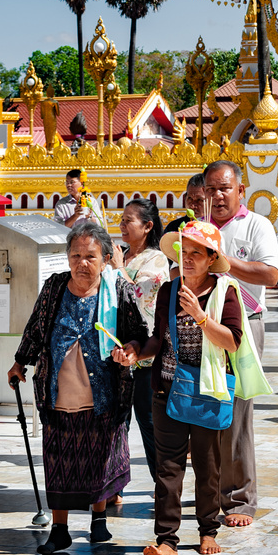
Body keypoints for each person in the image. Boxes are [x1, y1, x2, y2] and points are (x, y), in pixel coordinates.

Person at [7, 220, 147, 555]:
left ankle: (99, 520)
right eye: (75, 255)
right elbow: (36, 327)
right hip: (58, 392)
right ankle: (60, 530)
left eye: (89, 256)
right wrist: (19, 362)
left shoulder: (118, 292)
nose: (81, 263)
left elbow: (140, 334)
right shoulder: (55, 287)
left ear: (105, 259)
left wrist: (130, 350)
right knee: (58, 461)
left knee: (99, 458)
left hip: (103, 394)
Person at [140, 220, 244, 555]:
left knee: (207, 464)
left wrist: (200, 315)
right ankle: (167, 539)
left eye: (195, 254)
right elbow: (159, 338)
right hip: (168, 389)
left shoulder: (225, 292)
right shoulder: (170, 291)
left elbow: (232, 341)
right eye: (183, 253)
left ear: (211, 258)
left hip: (209, 391)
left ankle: (207, 530)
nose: (186, 259)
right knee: (167, 467)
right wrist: (136, 352)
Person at [203, 159, 278, 528]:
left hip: (244, 327)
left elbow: (270, 274)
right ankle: (212, 491)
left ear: (240, 191)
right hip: (202, 325)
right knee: (205, 408)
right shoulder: (198, 229)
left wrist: (225, 263)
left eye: (224, 188)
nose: (218, 196)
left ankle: (240, 499)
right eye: (211, 190)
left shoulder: (256, 225)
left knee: (236, 412)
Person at [111, 199, 169, 486]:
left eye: (128, 220)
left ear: (147, 226)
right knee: (115, 424)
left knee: (148, 423)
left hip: (144, 353)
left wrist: (118, 268)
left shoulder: (155, 259)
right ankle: (112, 486)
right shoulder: (122, 256)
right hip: (114, 348)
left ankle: (163, 486)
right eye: (121, 219)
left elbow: (137, 296)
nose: (122, 224)